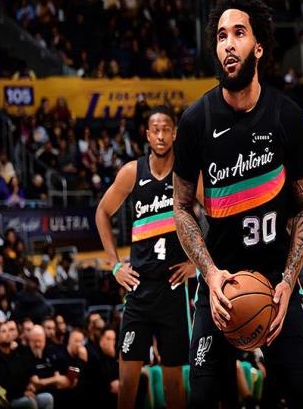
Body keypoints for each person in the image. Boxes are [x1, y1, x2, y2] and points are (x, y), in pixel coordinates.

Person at [173, 0, 303, 408]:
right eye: (221, 36)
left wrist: (288, 280)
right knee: (203, 397)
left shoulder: (287, 116)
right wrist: (210, 274)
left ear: (259, 47)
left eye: (238, 33)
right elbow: (181, 206)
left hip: (275, 284)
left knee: (302, 395)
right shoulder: (195, 121)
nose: (228, 44)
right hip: (219, 286)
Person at [95, 106, 195, 409]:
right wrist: (115, 265)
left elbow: (217, 214)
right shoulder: (132, 172)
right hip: (139, 289)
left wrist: (197, 264)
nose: (161, 135)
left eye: (166, 129)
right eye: (156, 130)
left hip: (173, 289)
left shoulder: (187, 172)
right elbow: (102, 212)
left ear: (175, 133)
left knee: (173, 383)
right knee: (128, 382)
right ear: (147, 134)